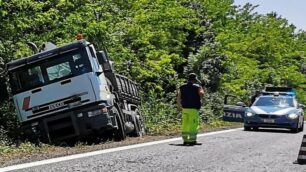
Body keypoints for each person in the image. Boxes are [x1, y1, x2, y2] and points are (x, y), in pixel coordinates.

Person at [176, 73, 204, 146]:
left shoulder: (182, 87)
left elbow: (178, 97)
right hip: (193, 109)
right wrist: (201, 87)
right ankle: (192, 140)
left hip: (185, 108)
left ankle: (185, 140)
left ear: (188, 79)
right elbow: (201, 94)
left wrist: (179, 106)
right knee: (193, 124)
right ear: (195, 79)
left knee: (185, 124)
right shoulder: (197, 86)